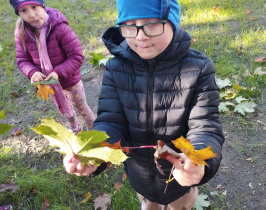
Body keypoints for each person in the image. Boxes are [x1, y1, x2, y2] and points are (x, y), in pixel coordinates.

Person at [63, 0, 225, 209]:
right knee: (148, 204)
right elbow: (110, 120)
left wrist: (198, 161)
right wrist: (95, 152)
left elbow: (205, 126)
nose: (140, 36)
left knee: (180, 205)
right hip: (140, 174)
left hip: (179, 178)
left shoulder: (198, 69)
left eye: (152, 23)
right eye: (129, 26)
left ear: (172, 22)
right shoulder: (115, 69)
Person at [9, 0, 95, 134]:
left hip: (70, 81)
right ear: (18, 13)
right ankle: (75, 128)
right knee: (66, 111)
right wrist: (32, 72)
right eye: (23, 11)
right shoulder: (22, 32)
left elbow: (76, 56)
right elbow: (22, 59)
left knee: (81, 107)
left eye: (34, 7)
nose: (31, 15)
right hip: (51, 85)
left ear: (42, 5)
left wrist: (58, 72)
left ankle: (93, 127)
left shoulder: (59, 28)